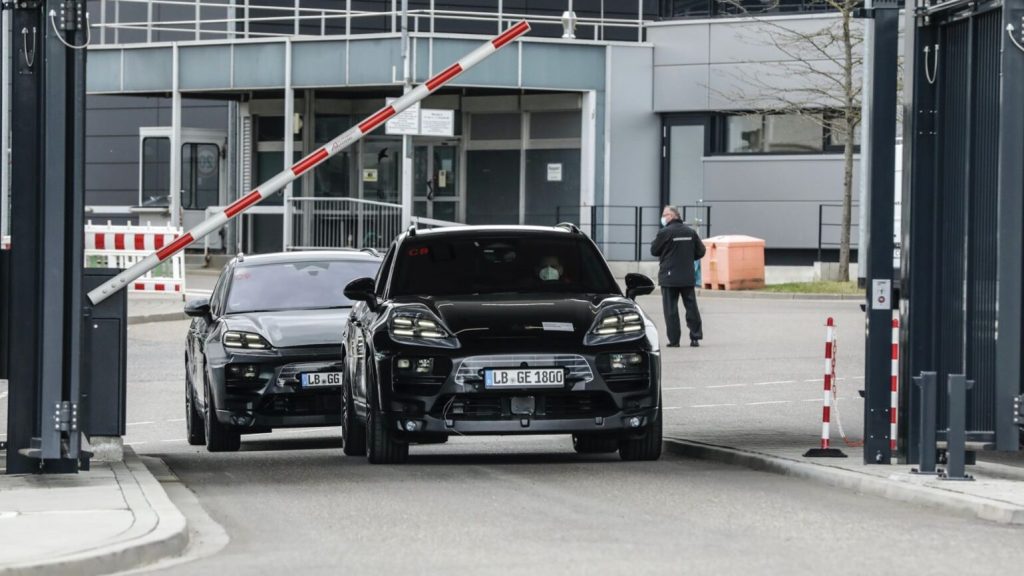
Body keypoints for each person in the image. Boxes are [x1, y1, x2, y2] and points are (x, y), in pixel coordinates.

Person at [650, 206, 706, 347]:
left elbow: (654, 250)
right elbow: (701, 251)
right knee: (691, 307)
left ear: (672, 216)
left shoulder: (664, 233)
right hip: (687, 276)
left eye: (665, 214)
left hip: (669, 278)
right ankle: (695, 337)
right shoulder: (690, 232)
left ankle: (674, 340)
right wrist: (688, 258)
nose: (663, 217)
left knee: (671, 310)